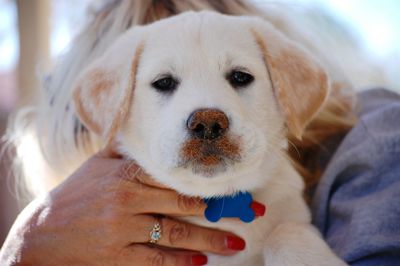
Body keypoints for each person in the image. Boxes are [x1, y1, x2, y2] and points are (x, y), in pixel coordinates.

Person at [1, 0, 399, 265]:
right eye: (165, 83)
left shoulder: (373, 142)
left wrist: (292, 241)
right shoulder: (95, 227)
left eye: (239, 77)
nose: (207, 119)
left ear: (286, 91)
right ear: (112, 108)